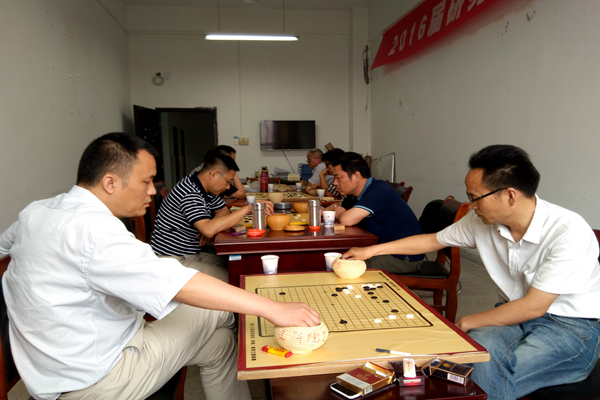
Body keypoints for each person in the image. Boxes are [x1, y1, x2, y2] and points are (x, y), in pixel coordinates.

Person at [0, 133, 319, 400]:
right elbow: (181, 284)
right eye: (146, 181)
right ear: (110, 182)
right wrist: (274, 309)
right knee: (224, 310)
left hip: (56, 368)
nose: (153, 191)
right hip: (99, 378)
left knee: (221, 343)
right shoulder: (95, 231)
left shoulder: (37, 211)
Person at [343, 145, 600, 400]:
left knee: (478, 376)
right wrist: (371, 251)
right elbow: (432, 241)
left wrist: (465, 322)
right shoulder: (481, 221)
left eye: (474, 197)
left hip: (570, 327)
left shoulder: (568, 231)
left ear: (510, 196)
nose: (471, 205)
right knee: (468, 362)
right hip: (509, 315)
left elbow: (533, 306)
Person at [151, 152, 273, 282]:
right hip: (174, 260)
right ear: (213, 174)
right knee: (237, 278)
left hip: (192, 254)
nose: (228, 187)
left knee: (242, 267)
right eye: (227, 181)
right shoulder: (190, 192)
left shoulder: (203, 188)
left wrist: (211, 226)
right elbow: (209, 230)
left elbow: (223, 211)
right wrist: (248, 209)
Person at [326, 152, 424, 273]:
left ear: (356, 176)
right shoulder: (357, 193)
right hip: (383, 249)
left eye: (338, 177)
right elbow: (339, 206)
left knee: (345, 267)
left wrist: (341, 213)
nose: (335, 183)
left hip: (403, 257)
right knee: (338, 257)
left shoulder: (378, 190)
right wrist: (327, 210)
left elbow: (347, 219)